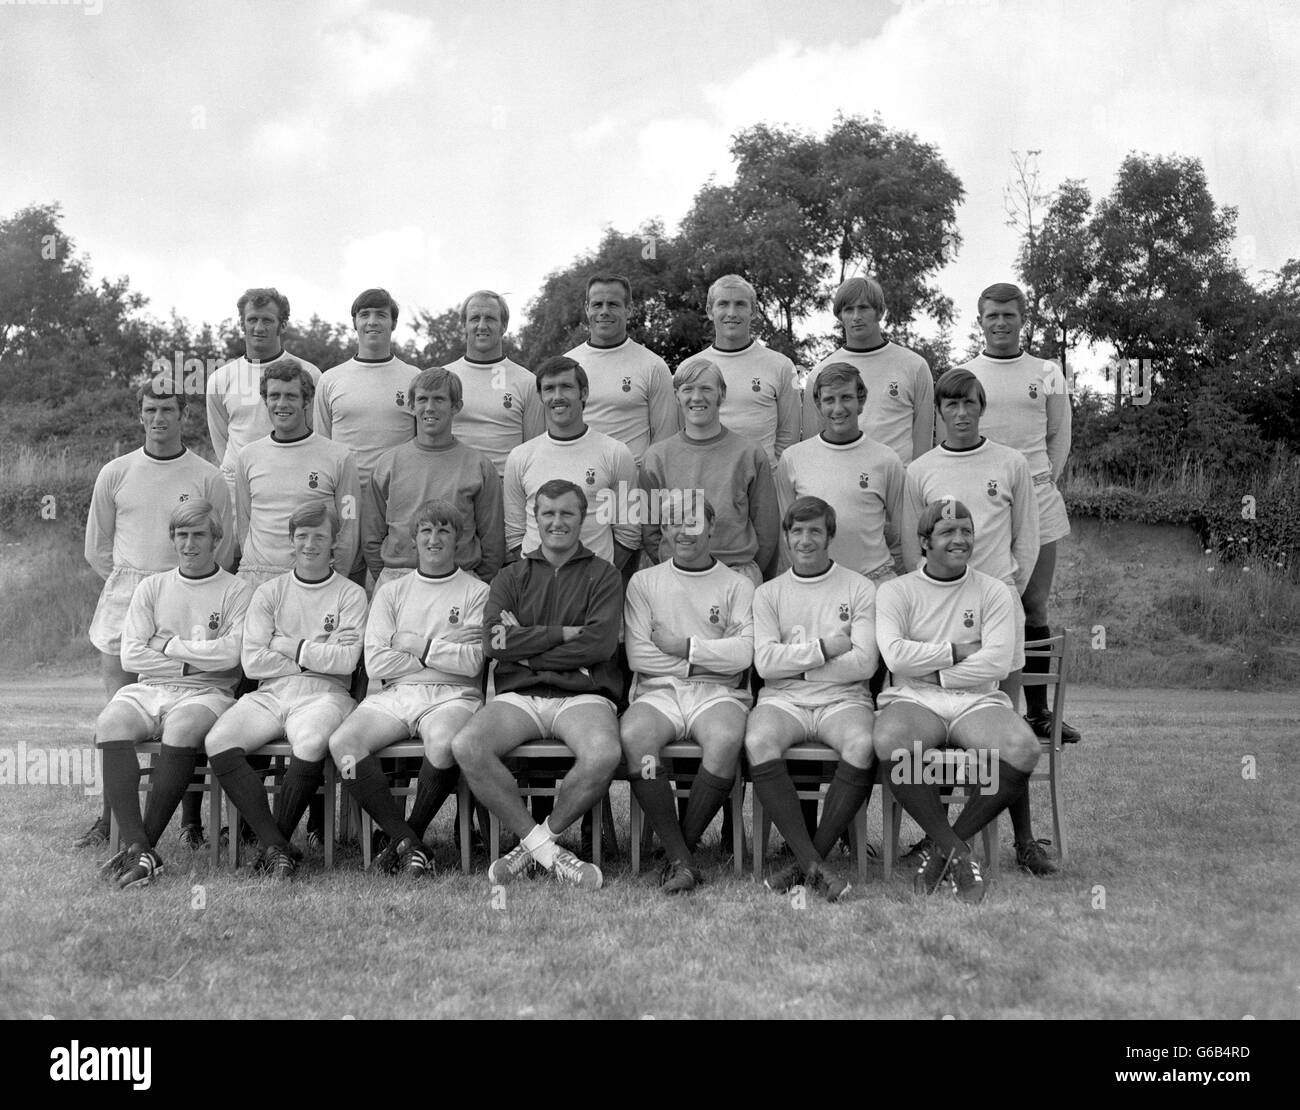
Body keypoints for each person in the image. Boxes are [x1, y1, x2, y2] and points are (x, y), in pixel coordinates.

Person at [902, 367, 1057, 877]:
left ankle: (1025, 841)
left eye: (970, 403)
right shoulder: (920, 469)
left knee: (1000, 726)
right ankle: (939, 836)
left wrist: (1001, 592)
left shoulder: (1010, 463)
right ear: (940, 412)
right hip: (939, 609)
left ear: (982, 406)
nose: (961, 413)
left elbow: (1027, 540)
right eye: (951, 405)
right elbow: (910, 545)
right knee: (941, 724)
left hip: (996, 607)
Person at [78, 376, 233, 849]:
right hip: (128, 600)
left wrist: (182, 585)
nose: (159, 418)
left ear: (183, 415)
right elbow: (96, 549)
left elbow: (223, 545)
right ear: (139, 414)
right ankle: (112, 822)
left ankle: (189, 822)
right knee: (121, 715)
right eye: (151, 410)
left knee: (186, 709)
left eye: (168, 410)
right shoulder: (116, 472)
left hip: (190, 600)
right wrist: (141, 587)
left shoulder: (207, 475)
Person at [451, 480, 623, 890]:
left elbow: (597, 645)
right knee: (467, 745)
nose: (557, 522)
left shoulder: (604, 575)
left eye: (567, 513)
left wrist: (526, 647)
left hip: (582, 694)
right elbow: (493, 642)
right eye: (548, 513)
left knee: (603, 753)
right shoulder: (511, 575)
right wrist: (564, 635)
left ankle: (529, 848)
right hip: (519, 695)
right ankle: (548, 851)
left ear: (583, 518)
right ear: (536, 518)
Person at [873, 500, 1043, 904]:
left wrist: (935, 671)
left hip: (974, 699)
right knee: (890, 740)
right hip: (916, 698)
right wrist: (958, 651)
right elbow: (896, 656)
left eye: (966, 530)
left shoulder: (995, 591)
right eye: (948, 532)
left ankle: (942, 848)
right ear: (924, 542)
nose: (960, 539)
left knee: (1022, 747)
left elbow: (997, 661)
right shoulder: (896, 591)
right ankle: (958, 852)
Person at [205, 503, 369, 879]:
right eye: (302, 536)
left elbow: (345, 663)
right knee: (219, 740)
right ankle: (276, 845)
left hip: (325, 694)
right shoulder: (268, 592)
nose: (310, 544)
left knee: (310, 743)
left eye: (320, 537)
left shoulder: (350, 594)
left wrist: (288, 645)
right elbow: (253, 663)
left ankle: (271, 846)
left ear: (333, 543)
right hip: (270, 693)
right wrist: (314, 654)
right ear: (291, 542)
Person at [329, 499, 489, 876]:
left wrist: (416, 643)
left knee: (443, 742)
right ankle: (409, 843)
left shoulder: (477, 592)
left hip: (453, 695)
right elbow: (377, 662)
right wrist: (446, 649)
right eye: (426, 531)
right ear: (414, 539)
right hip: (396, 694)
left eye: (444, 531)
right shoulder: (391, 592)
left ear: (458, 540)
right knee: (343, 745)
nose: (434, 539)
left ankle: (405, 841)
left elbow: (472, 664)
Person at [96, 500, 251, 888]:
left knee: (180, 730)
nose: (189, 543)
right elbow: (132, 652)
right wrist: (188, 663)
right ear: (172, 540)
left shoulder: (237, 590)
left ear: (216, 539)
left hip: (208, 692)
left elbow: (231, 656)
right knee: (109, 722)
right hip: (151, 687)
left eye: (198, 534)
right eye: (181, 535)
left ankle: (138, 849)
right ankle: (140, 848)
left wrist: (167, 646)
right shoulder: (152, 587)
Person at [960, 282, 1081, 744]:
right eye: (992, 315)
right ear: (981, 320)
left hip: (1037, 496)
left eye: (1009, 315)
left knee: (1032, 604)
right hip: (984, 503)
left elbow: (1059, 435)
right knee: (979, 603)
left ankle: (1039, 713)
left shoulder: (1048, 371)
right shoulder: (965, 373)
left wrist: (1042, 481)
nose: (1000, 323)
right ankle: (980, 704)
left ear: (1022, 318)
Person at [743, 496, 878, 902]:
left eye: (815, 531)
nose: (806, 540)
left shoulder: (859, 587)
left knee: (862, 743)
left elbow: (865, 663)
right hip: (784, 700)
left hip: (844, 699)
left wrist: (797, 665)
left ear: (830, 536)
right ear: (786, 536)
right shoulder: (768, 593)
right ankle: (816, 863)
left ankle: (806, 861)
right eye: (797, 531)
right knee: (758, 741)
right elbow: (765, 664)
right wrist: (824, 649)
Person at [621, 497, 755, 894]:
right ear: (664, 529)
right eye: (675, 523)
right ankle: (682, 858)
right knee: (635, 738)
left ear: (712, 528)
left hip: (717, 694)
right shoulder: (644, 582)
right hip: (658, 692)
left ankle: (677, 855)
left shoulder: (737, 584)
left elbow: (744, 654)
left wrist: (683, 647)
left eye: (694, 523)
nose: (684, 531)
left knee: (726, 738)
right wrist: (705, 660)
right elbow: (638, 654)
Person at [640, 358, 778, 588]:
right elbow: (650, 530)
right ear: (677, 396)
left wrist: (744, 578)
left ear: (722, 394)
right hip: (677, 577)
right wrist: (676, 564)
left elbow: (767, 529)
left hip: (736, 575)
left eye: (706, 388)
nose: (696, 397)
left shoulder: (750, 454)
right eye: (687, 389)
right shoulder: (656, 457)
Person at [363, 367, 504, 588]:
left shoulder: (479, 466)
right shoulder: (388, 464)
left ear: (456, 406)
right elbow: (371, 535)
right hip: (398, 577)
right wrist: (390, 581)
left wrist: (474, 582)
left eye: (439, 399)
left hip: (460, 579)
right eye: (422, 399)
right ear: (411, 406)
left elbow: (493, 541)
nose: (429, 408)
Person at [313, 287, 417, 580]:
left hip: (396, 496)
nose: (372, 321)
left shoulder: (413, 377)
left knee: (396, 575)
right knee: (345, 572)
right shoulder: (330, 379)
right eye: (365, 314)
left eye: (381, 315)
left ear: (393, 323)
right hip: (348, 496)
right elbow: (323, 443)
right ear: (355, 322)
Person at [503, 356, 639, 569]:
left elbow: (628, 532)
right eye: (549, 389)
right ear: (540, 396)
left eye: (566, 387)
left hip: (594, 590)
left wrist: (599, 577)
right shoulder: (519, 457)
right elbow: (514, 533)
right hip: (535, 589)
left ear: (583, 393)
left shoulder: (616, 453)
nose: (557, 396)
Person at [234, 359, 359, 590]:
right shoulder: (247, 456)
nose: (282, 404)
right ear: (265, 400)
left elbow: (349, 527)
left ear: (307, 400)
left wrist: (333, 581)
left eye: (291, 396)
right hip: (256, 579)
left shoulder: (340, 457)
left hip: (313, 581)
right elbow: (244, 525)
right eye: (274, 396)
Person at [777, 362, 904, 583]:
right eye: (829, 400)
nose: (838, 409)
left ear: (861, 401)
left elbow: (903, 531)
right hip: (816, 586)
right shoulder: (793, 459)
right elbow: (785, 534)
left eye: (846, 397)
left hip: (873, 582)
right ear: (818, 404)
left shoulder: (886, 459)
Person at [801, 276, 933, 465]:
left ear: (879, 312)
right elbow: (812, 448)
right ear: (840, 316)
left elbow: (923, 450)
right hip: (842, 485)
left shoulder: (914, 366)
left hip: (899, 488)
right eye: (849, 310)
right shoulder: (819, 374)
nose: (856, 317)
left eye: (863, 308)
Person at [205, 287, 321, 500]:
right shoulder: (220, 378)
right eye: (252, 320)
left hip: (292, 482)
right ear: (242, 324)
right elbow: (221, 438)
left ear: (282, 325)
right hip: (237, 488)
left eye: (267, 320)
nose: (259, 327)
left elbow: (316, 431)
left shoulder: (309, 374)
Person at [678, 274, 800, 468]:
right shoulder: (688, 368)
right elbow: (680, 431)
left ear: (753, 312)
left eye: (740, 304)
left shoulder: (782, 366)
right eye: (723, 304)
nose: (732, 313)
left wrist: (771, 477)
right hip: (704, 482)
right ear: (710, 311)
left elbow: (789, 436)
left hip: (763, 484)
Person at [563, 274, 678, 467]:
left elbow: (665, 439)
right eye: (597, 304)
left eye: (613, 304)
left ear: (629, 310)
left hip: (631, 487)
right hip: (576, 485)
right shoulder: (567, 365)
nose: (604, 312)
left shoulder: (653, 366)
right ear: (587, 309)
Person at [442, 290, 544, 476]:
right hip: (452, 485)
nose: (482, 325)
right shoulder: (443, 378)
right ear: (464, 325)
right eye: (474, 318)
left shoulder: (528, 382)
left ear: (503, 326)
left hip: (505, 488)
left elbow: (534, 452)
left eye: (490, 318)